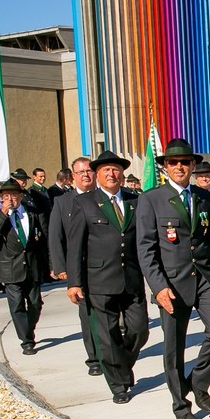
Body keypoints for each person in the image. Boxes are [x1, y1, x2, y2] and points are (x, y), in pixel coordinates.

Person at [136, 138, 210, 419]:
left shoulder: (204, 198)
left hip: (204, 278)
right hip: (171, 284)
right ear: (165, 167)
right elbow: (146, 248)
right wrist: (158, 286)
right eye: (173, 162)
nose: (179, 167)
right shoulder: (151, 199)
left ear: (192, 166)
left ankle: (198, 381)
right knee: (174, 350)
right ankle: (180, 405)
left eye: (185, 162)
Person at [66, 151, 149, 404]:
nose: (112, 174)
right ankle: (118, 385)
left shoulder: (136, 201)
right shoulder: (84, 203)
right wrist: (74, 282)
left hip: (131, 278)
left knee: (140, 330)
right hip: (99, 280)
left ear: (122, 174)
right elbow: (75, 246)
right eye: (106, 171)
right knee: (108, 336)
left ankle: (121, 365)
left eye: (116, 170)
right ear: (97, 175)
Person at [49, 156, 102, 377]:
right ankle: (95, 359)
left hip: (106, 266)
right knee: (88, 314)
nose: (86, 175)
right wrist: (61, 267)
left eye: (89, 171)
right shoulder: (63, 202)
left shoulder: (104, 197)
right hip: (80, 268)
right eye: (81, 172)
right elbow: (56, 236)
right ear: (73, 176)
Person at [0, 178, 47, 355]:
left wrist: (51, 265)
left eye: (14, 195)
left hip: (32, 266)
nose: (10, 199)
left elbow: (44, 239)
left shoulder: (32, 213)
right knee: (17, 305)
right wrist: (4, 213)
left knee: (35, 304)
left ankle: (28, 330)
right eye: (6, 196)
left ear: (21, 196)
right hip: (11, 268)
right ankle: (27, 341)